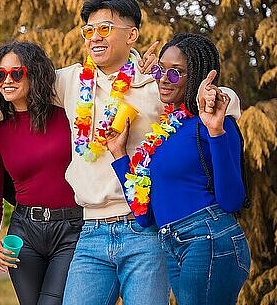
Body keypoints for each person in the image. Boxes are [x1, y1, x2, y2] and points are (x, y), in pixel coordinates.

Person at [0, 0, 241, 304]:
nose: (94, 38)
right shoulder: (70, 81)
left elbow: (218, 99)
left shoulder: (154, 82)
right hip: (89, 231)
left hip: (144, 230)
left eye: (105, 29)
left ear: (131, 35)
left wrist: (218, 99)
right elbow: (18, 86)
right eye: (88, 30)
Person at [106, 33, 250, 304]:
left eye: (176, 73)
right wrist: (119, 155)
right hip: (171, 242)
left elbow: (232, 200)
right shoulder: (165, 133)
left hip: (208, 237)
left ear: (195, 76)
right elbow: (145, 216)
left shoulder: (213, 124)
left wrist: (216, 131)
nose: (163, 78)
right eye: (161, 69)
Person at [0, 41, 83, 305]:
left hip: (71, 229)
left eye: (17, 73)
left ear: (34, 74)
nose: (7, 80)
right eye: (0, 74)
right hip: (24, 232)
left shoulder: (68, 117)